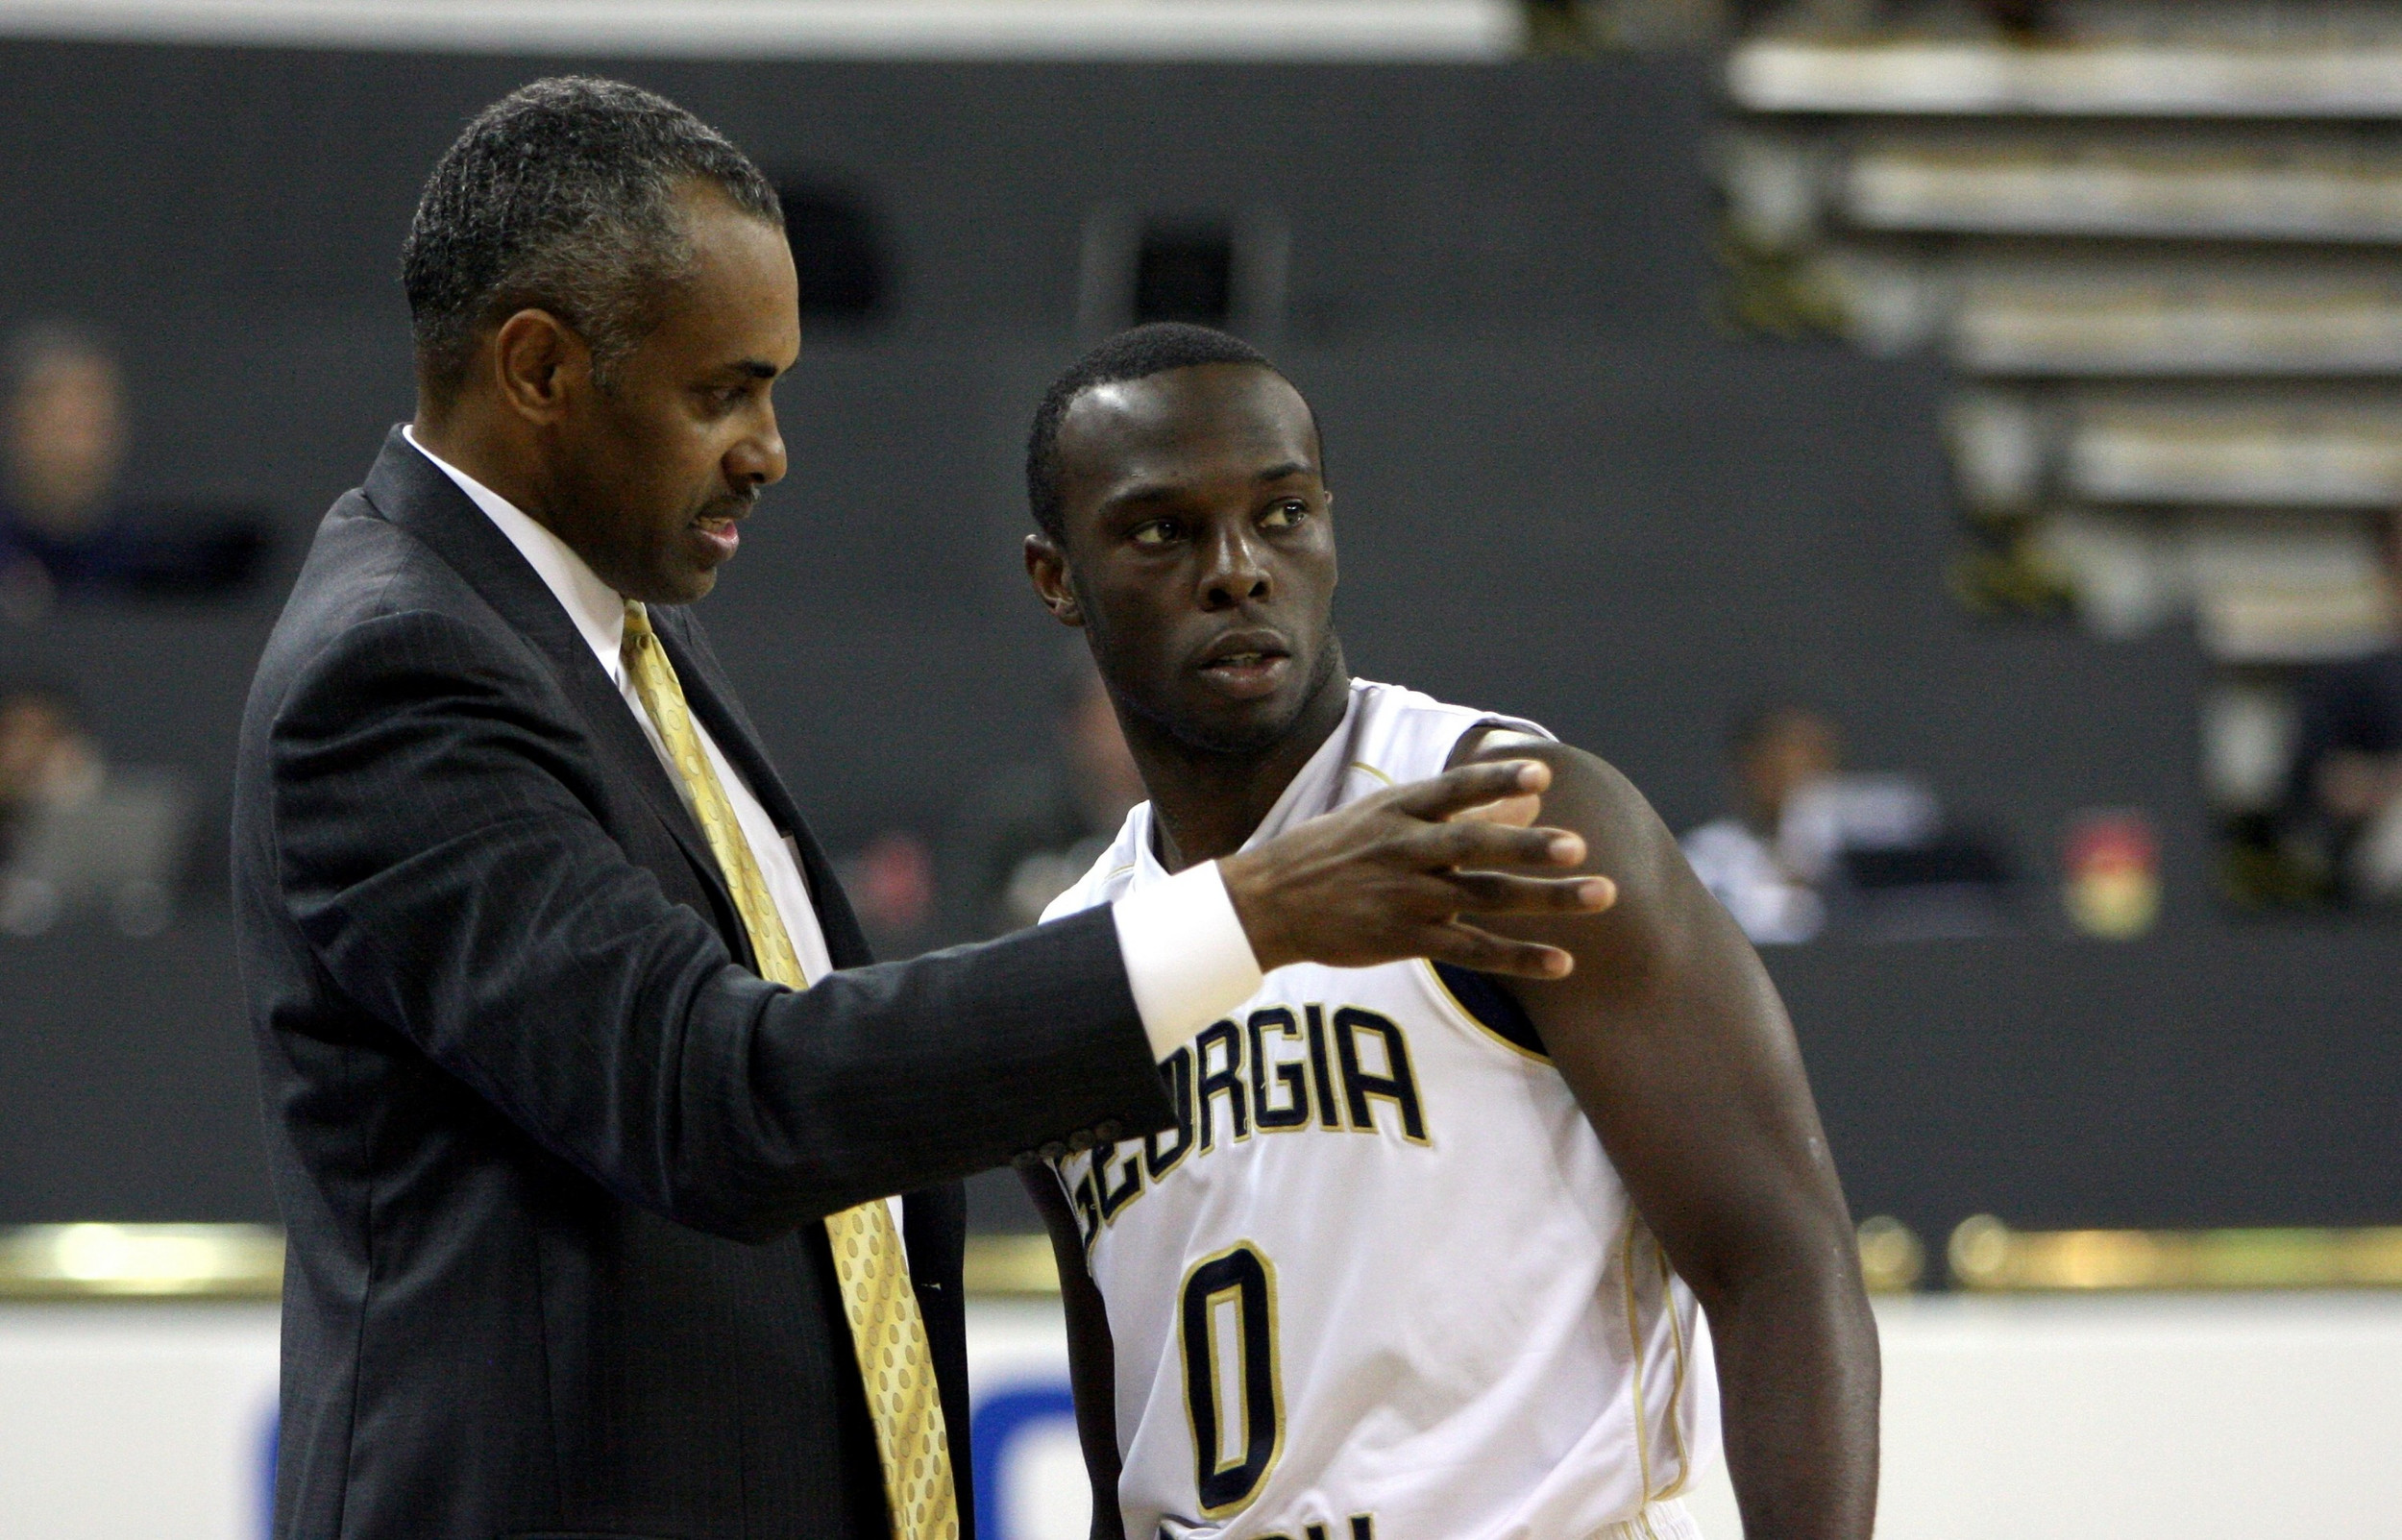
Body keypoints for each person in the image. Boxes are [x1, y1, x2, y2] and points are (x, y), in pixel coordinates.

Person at [231, 80, 1605, 1540]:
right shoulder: (392, 669)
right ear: (539, 369)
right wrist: (1253, 913)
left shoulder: (616, 622)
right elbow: (720, 1096)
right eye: (722, 391)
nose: (769, 447)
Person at [1017, 325, 1878, 1540]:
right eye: (1162, 531)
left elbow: (1779, 1257)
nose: (1237, 570)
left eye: (1282, 514)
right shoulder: (1077, 962)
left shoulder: (1509, 813)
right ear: (1056, 578)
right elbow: (1128, 1448)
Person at [0, 321, 265, 615]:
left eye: (93, 420)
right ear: (14, 422)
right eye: (60, 422)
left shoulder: (156, 558)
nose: (80, 445)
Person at [943, 654, 1146, 941]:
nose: (1122, 738)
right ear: (1074, 725)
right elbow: (967, 927)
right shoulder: (1019, 824)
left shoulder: (1185, 824)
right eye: (1108, 719)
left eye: (1137, 716)